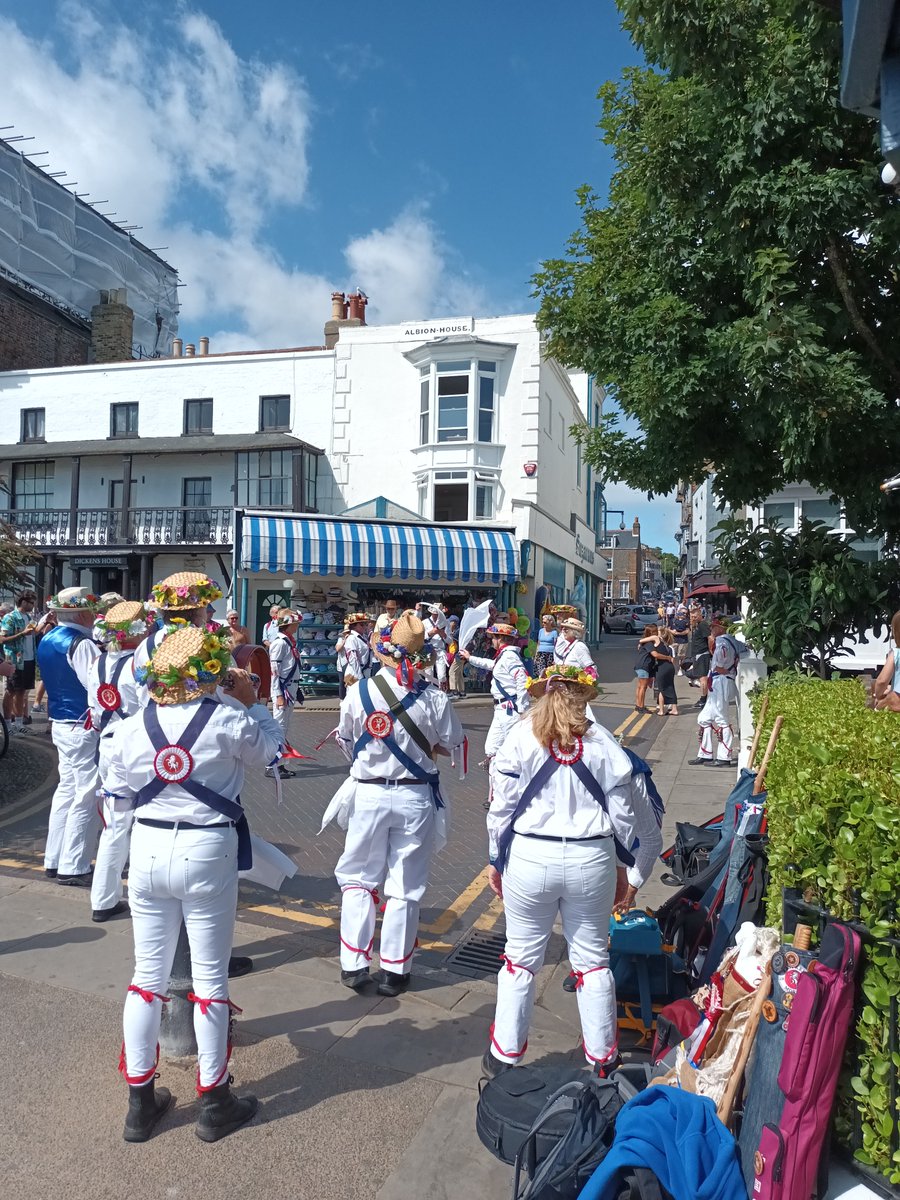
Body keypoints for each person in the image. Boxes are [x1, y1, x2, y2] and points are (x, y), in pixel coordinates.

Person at [105, 626, 283, 1142]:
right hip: (207, 849)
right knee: (209, 979)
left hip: (147, 846)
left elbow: (117, 797)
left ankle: (140, 1102)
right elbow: (273, 755)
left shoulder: (128, 728)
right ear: (212, 673)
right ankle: (215, 1101)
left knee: (146, 977)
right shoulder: (229, 719)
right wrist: (254, 704)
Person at [482, 665, 662, 1078]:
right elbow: (624, 819)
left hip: (530, 856)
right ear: (583, 697)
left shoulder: (519, 737)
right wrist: (621, 866)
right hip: (591, 857)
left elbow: (500, 810)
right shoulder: (605, 743)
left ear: (543, 694)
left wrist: (496, 859)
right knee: (593, 961)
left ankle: (504, 1057)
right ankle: (603, 1060)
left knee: (521, 959)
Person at [331, 611, 463, 996]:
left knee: (358, 877)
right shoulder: (435, 697)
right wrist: (423, 747)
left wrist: (372, 762)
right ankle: (395, 970)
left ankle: (354, 964)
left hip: (368, 793)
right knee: (405, 883)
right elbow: (452, 742)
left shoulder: (358, 692)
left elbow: (345, 740)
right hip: (414, 795)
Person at [88, 601, 154, 922]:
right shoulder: (140, 665)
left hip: (106, 746)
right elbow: (149, 710)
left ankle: (103, 899)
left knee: (114, 826)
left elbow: (94, 712)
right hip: (135, 748)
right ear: (139, 630)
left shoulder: (97, 662)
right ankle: (147, 895)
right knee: (144, 822)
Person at [36, 587, 103, 884]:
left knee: (67, 790)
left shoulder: (48, 638)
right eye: (92, 610)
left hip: (62, 721)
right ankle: (74, 865)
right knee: (86, 793)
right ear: (83, 614)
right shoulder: (81, 643)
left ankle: (54, 858)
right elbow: (97, 688)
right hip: (82, 723)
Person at [133, 572, 226, 701]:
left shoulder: (144, 645)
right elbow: (226, 693)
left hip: (152, 712)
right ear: (199, 610)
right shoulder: (211, 644)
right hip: (203, 712)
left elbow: (140, 691)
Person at [459, 622, 530, 766]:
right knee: (492, 748)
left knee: (513, 749)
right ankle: (496, 775)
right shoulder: (504, 656)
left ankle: (512, 776)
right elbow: (491, 665)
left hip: (510, 710)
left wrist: (523, 707)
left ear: (500, 639)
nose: (491, 640)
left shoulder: (509, 656)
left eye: (493, 637)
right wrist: (470, 658)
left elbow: (522, 678)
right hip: (502, 709)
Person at [690, 620, 742, 766]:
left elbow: (719, 665)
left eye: (714, 627)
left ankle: (724, 757)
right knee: (704, 718)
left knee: (721, 719)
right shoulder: (733, 641)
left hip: (721, 682)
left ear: (721, 628)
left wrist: (721, 671)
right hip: (720, 682)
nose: (711, 629)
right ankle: (705, 754)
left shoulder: (722, 643)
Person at [1, 590, 47, 733]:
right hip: (14, 660)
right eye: (31, 602)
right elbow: (2, 639)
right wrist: (22, 633)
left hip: (28, 659)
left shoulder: (28, 617)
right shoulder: (10, 617)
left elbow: (32, 634)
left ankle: (19, 723)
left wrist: (45, 622)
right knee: (10, 691)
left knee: (22, 691)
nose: (33, 605)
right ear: (23, 602)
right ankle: (7, 725)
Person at [268, 608, 303, 775]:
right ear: (288, 625)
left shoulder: (288, 642)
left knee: (284, 727)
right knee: (279, 728)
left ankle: (279, 764)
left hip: (290, 688)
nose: (297, 626)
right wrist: (278, 694)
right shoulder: (280, 643)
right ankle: (272, 765)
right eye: (295, 623)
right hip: (283, 690)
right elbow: (274, 671)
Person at [872, 610, 900, 710]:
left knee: (886, 701)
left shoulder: (896, 653)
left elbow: (882, 681)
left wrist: (878, 695)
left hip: (898, 703)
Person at [684, 608, 712, 709]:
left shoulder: (703, 625)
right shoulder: (697, 625)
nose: (693, 618)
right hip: (698, 655)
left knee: (703, 678)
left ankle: (703, 700)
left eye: (695, 617)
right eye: (691, 617)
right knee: (699, 677)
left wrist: (711, 650)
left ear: (700, 616)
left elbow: (710, 638)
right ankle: (703, 699)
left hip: (702, 654)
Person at [341, 612, 374, 686]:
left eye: (365, 624)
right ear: (354, 626)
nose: (364, 627)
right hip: (355, 674)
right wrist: (360, 676)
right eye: (362, 625)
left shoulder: (363, 637)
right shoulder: (352, 638)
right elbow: (353, 659)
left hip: (365, 672)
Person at [652, 628, 679, 716]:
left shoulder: (657, 645)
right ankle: (674, 709)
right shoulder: (670, 647)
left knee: (661, 689)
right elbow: (673, 660)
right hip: (670, 668)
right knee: (671, 687)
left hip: (662, 667)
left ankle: (661, 710)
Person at [633, 623, 658, 712]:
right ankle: (641, 707)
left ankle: (638, 705)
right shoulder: (649, 644)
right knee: (643, 687)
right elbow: (655, 654)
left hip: (640, 665)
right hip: (644, 666)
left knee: (640, 686)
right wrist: (667, 657)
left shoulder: (644, 642)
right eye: (655, 631)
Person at [670, 604, 690, 674]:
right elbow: (668, 629)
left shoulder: (687, 621)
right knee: (673, 655)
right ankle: (673, 668)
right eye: (683, 613)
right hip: (673, 641)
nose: (684, 614)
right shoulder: (673, 620)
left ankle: (680, 669)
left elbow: (687, 631)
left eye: (685, 613)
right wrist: (672, 632)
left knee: (681, 656)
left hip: (683, 641)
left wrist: (678, 633)